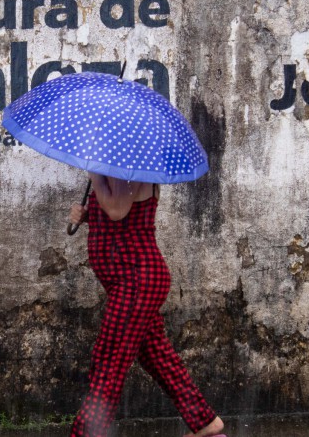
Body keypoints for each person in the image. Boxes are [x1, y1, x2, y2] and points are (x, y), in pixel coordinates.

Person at [67, 172, 225, 437]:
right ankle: (206, 422)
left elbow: (117, 210)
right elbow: (116, 219)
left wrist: (94, 174)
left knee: (108, 361)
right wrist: (87, 215)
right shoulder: (116, 169)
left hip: (136, 280)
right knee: (157, 357)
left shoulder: (126, 169)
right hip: (131, 281)